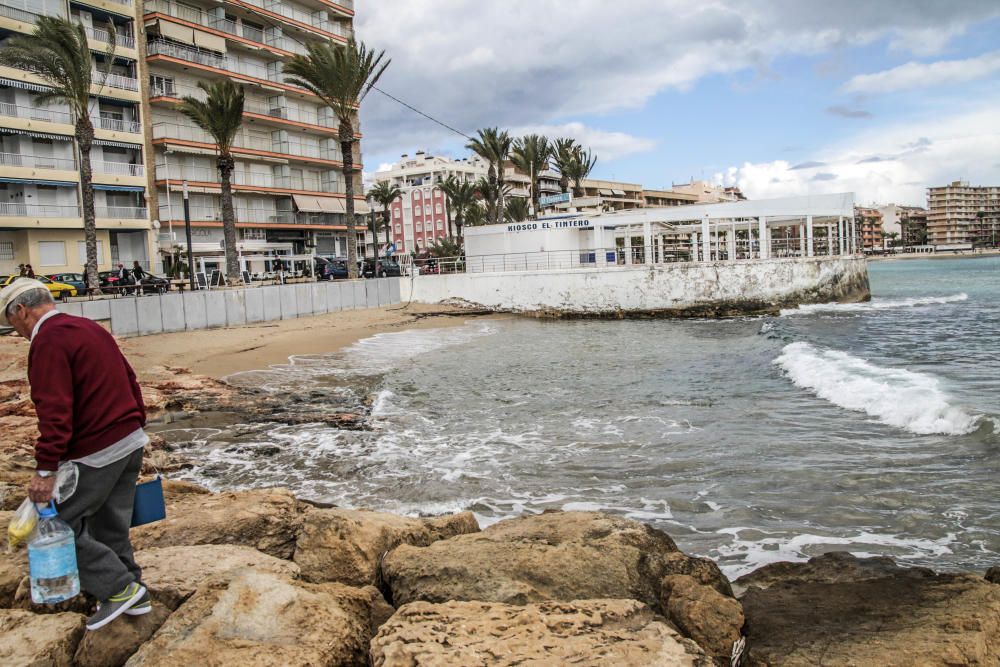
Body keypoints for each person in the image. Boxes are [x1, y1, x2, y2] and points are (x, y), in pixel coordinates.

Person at [0, 278, 149, 630]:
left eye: (12, 324)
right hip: (128, 439)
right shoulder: (87, 327)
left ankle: (117, 589)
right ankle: (134, 592)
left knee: (57, 525)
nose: (16, 333)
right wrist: (136, 425)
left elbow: (55, 411)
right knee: (110, 525)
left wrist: (45, 470)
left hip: (96, 450)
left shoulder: (48, 342)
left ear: (21, 311)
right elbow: (130, 379)